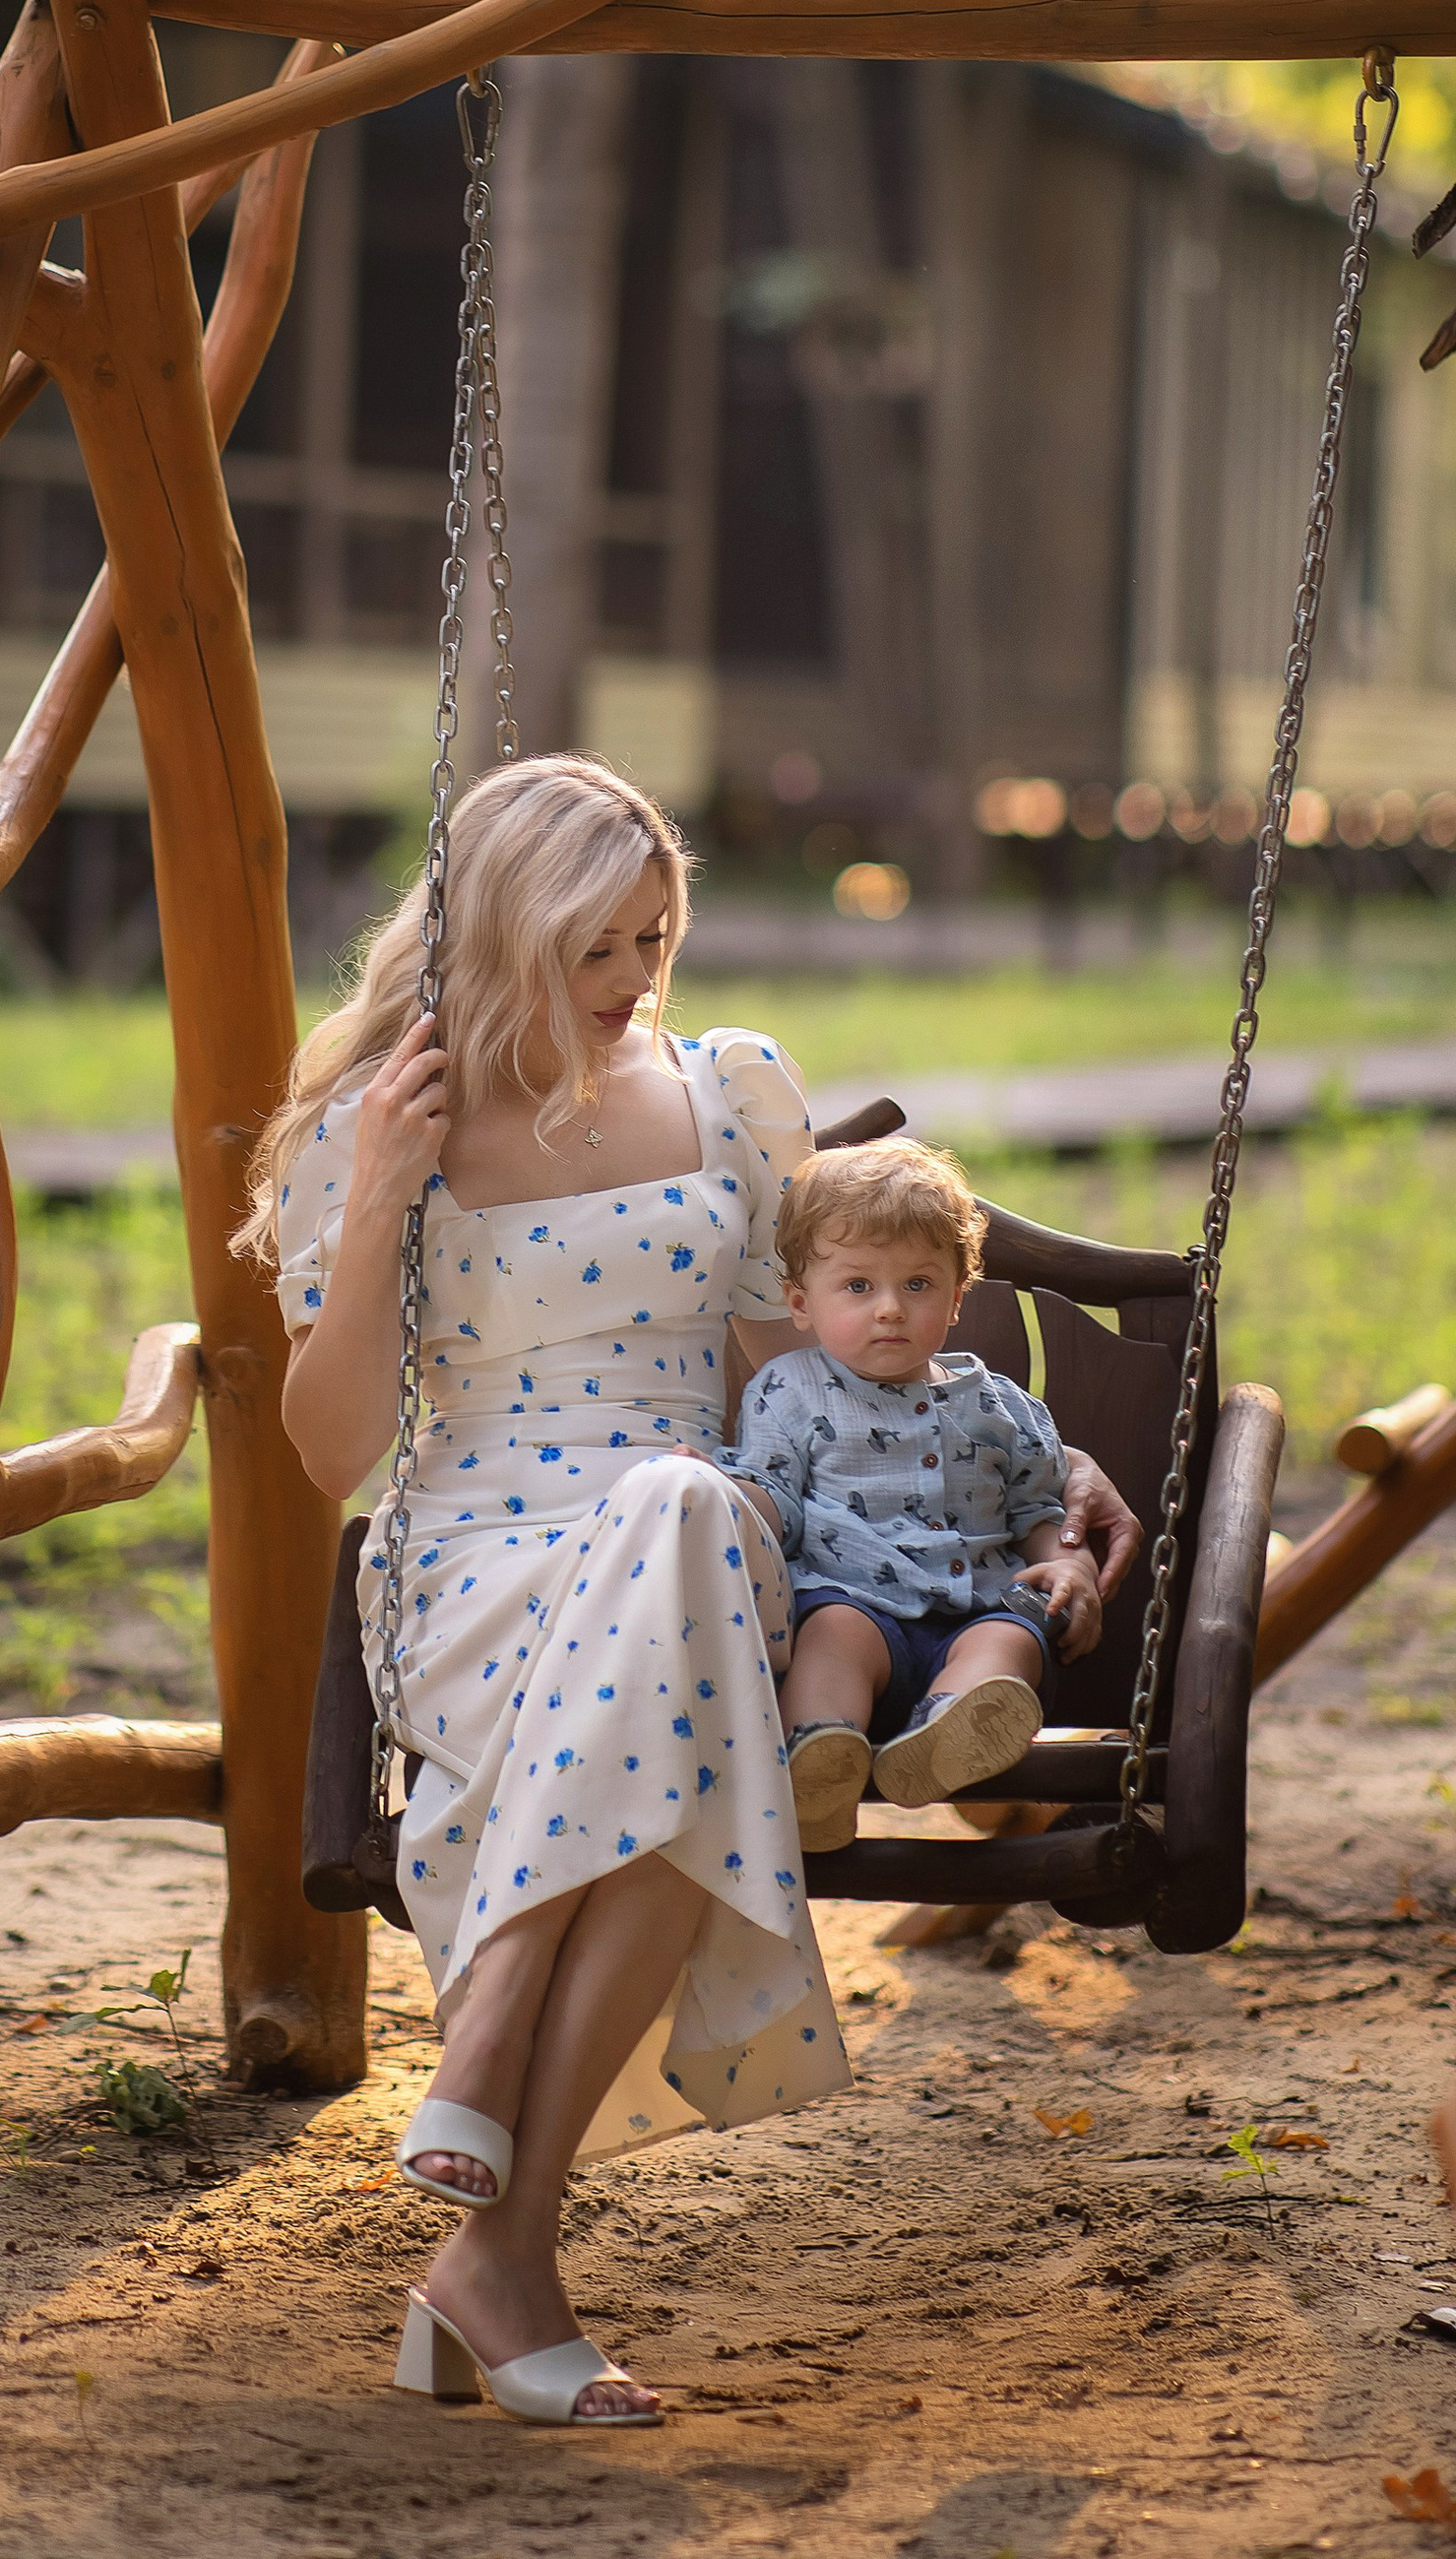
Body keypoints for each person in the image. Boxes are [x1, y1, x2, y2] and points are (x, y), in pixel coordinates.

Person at [247, 755, 1141, 2431]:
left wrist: (1017, 1467)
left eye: (654, 940)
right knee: (694, 1675)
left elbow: (775, 1383)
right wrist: (375, 1201)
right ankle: (502, 2231)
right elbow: (332, 1449)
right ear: (504, 934)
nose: (633, 984)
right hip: (483, 1562)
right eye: (595, 948)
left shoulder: (726, 1094)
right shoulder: (388, 1122)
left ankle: (491, 2144)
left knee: (692, 1511)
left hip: (708, 1539)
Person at [725, 1135, 1102, 1852]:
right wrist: (721, 1492)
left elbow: (1039, 1507)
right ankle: (819, 1764)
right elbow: (775, 1491)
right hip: (856, 1603)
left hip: (977, 1610)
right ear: (801, 1303)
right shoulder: (791, 1390)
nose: (891, 1309)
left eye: (919, 1285)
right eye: (859, 1286)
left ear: (958, 1299)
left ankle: (951, 1728)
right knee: (828, 1636)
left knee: (1011, 1642)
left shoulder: (999, 1406)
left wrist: (1067, 1562)